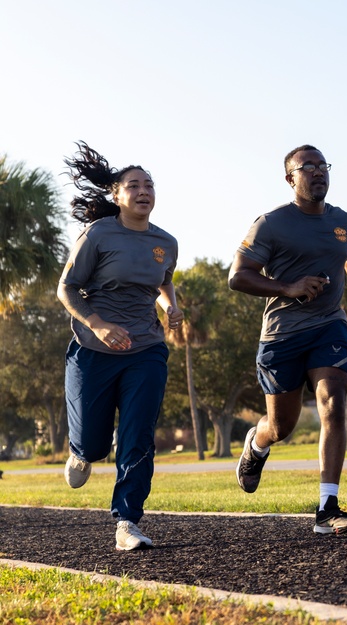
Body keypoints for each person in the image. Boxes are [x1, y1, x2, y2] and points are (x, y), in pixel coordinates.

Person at [229, 144, 347, 535]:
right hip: (282, 334)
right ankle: (258, 442)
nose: (318, 172)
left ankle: (327, 508)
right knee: (282, 426)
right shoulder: (271, 223)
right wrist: (288, 287)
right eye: (308, 167)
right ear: (290, 178)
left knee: (333, 403)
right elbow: (238, 275)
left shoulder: (346, 223)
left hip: (328, 326)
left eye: (324, 166)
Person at [58, 142, 183, 551]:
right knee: (94, 445)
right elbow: (67, 288)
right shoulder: (98, 234)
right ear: (117, 195)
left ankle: (127, 522)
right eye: (134, 185)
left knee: (138, 436)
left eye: (149, 185)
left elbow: (162, 281)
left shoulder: (166, 241)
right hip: (93, 350)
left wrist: (172, 307)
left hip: (146, 349)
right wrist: (98, 323)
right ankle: (81, 450)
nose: (143, 191)